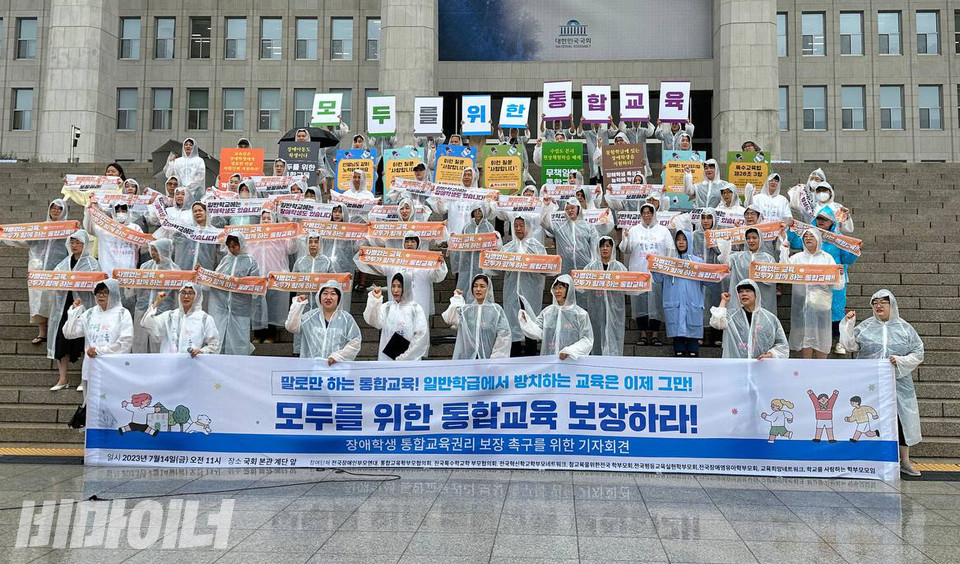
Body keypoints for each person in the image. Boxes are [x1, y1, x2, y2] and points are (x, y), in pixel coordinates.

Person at [840, 290, 925, 476]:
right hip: (869, 384)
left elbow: (918, 352)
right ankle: (865, 457)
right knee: (867, 419)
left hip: (898, 384)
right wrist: (848, 324)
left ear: (892, 305)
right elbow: (850, 345)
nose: (879, 306)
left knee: (901, 420)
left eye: (883, 302)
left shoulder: (905, 328)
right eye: (875, 302)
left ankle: (904, 460)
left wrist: (901, 361)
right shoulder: (866, 327)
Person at [790, 207, 857, 354]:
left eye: (824, 219)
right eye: (819, 218)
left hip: (829, 286)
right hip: (805, 294)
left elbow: (847, 258)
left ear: (831, 222)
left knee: (831, 315)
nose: (820, 222)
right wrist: (788, 231)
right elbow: (786, 266)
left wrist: (853, 250)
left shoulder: (836, 241)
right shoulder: (802, 246)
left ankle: (838, 340)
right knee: (806, 329)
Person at [46, 230, 101, 391]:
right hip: (65, 306)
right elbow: (54, 279)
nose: (75, 246)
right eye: (73, 243)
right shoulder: (64, 263)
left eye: (78, 243)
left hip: (84, 307)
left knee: (84, 341)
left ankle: (84, 379)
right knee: (62, 341)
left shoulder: (92, 264)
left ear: (85, 245)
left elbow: (98, 284)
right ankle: (62, 379)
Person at [355, 231, 447, 322]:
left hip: (420, 302)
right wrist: (365, 257)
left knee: (419, 330)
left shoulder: (427, 262)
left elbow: (436, 277)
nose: (409, 244)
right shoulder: (395, 261)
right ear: (403, 243)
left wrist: (440, 264)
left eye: (413, 241)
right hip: (398, 304)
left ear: (418, 244)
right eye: (407, 241)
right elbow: (379, 267)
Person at [780, 229, 844, 359]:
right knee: (805, 336)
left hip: (821, 305)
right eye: (805, 236)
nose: (808, 238)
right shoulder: (797, 258)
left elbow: (838, 285)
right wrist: (784, 250)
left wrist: (839, 274)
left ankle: (821, 368)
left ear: (818, 239)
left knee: (822, 336)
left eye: (811, 236)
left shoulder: (827, 258)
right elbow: (784, 271)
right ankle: (806, 367)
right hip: (801, 304)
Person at [62, 279, 133, 392]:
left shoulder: (122, 313)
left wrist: (100, 351)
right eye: (98, 292)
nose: (101, 295)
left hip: (114, 368)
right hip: (92, 366)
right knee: (93, 404)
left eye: (105, 292)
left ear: (113, 294)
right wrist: (73, 312)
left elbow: (125, 342)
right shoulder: (90, 313)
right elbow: (69, 333)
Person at [620, 201, 673, 346]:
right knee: (640, 304)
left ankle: (655, 335)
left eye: (649, 212)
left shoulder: (663, 230)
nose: (646, 215)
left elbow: (670, 250)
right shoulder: (634, 230)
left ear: (653, 213)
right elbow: (625, 249)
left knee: (657, 303)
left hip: (657, 274)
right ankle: (643, 334)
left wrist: (667, 270)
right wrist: (625, 237)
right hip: (639, 273)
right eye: (643, 213)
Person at [653, 231, 711, 357]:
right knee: (678, 348)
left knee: (693, 351)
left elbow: (709, 281)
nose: (681, 242)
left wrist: (720, 270)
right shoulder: (669, 262)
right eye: (678, 239)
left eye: (684, 239)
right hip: (675, 305)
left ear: (689, 242)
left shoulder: (698, 262)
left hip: (693, 306)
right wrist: (653, 266)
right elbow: (658, 279)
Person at [498, 216, 548, 357]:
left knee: (530, 325)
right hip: (512, 292)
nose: (518, 229)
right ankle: (514, 359)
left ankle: (531, 360)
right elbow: (495, 268)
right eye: (516, 226)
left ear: (528, 227)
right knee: (512, 325)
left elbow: (547, 269)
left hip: (530, 292)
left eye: (521, 225)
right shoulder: (507, 248)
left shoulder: (537, 247)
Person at [23, 199, 70, 345]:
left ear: (64, 211)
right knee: (38, 302)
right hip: (39, 271)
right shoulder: (40, 228)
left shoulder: (68, 230)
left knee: (54, 301)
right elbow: (24, 241)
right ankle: (42, 333)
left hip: (57, 272)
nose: (55, 211)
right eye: (53, 208)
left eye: (59, 209)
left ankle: (53, 332)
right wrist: (8, 234)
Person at [248, 211, 298, 344]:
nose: (265, 220)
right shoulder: (254, 235)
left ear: (274, 220)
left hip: (275, 278)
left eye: (268, 218)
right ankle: (258, 335)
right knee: (258, 307)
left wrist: (292, 235)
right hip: (258, 277)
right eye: (263, 218)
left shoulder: (280, 235)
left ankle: (271, 335)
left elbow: (291, 248)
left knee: (272, 307)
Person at [208, 233, 260, 355]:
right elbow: (215, 278)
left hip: (240, 307)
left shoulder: (251, 261)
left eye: (235, 246)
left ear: (241, 244)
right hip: (221, 307)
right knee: (220, 335)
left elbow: (255, 284)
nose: (232, 249)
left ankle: (240, 363)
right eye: (230, 246)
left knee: (240, 336)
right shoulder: (225, 260)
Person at [518, 275, 594, 359]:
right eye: (555, 288)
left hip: (571, 361)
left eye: (561, 288)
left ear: (569, 290)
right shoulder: (547, 312)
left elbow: (587, 339)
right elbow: (538, 332)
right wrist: (526, 322)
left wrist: (570, 351)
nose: (557, 291)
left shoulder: (580, 314)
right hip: (550, 360)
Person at [710, 280, 789, 359]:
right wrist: (724, 301)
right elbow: (716, 322)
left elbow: (782, 345)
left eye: (748, 291)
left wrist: (770, 355)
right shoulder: (732, 316)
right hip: (735, 366)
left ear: (756, 294)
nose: (744, 294)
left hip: (761, 366)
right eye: (741, 292)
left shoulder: (769, 318)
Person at [286, 280, 361, 363]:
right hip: (311, 368)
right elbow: (291, 327)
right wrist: (298, 305)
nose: (328, 297)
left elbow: (355, 341)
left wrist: (338, 356)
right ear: (319, 296)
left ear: (339, 297)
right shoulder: (310, 317)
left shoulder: (346, 318)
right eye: (325, 293)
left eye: (333, 294)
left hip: (337, 368)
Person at [441, 274, 512, 360]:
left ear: (488, 289)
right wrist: (457, 298)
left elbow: (504, 334)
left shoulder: (496, 310)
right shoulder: (466, 310)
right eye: (475, 286)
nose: (478, 289)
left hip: (489, 358)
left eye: (482, 286)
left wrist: (497, 357)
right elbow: (450, 318)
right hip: (468, 357)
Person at [140, 282, 220, 356]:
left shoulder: (204, 319)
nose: (186, 296)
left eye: (190, 293)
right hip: (169, 365)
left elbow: (214, 343)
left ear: (197, 296)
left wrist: (201, 351)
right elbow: (147, 322)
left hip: (192, 364)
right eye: (183, 293)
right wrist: (157, 301)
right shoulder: (170, 316)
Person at [363, 272, 429, 361]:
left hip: (410, 362)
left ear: (407, 287)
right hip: (387, 360)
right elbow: (374, 321)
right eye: (393, 286)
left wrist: (404, 357)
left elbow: (421, 336)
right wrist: (375, 300)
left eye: (400, 286)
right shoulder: (387, 307)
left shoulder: (415, 309)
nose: (395, 290)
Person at [580, 236, 629, 356]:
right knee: (597, 333)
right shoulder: (591, 267)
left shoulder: (620, 267)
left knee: (615, 333)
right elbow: (580, 286)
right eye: (602, 246)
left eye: (608, 246)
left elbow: (629, 286)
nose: (605, 249)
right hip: (596, 307)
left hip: (615, 309)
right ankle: (597, 359)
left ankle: (614, 360)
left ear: (612, 248)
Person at [131, 238, 180, 353]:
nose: (152, 253)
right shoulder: (145, 266)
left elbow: (178, 295)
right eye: (151, 250)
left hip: (162, 312)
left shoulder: (175, 271)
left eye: (156, 250)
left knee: (159, 342)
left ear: (164, 251)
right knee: (139, 341)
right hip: (142, 309)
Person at [290, 232, 333, 354]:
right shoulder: (299, 262)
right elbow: (292, 280)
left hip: (321, 303)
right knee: (301, 326)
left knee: (319, 329)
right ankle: (298, 352)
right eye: (310, 241)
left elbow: (334, 282)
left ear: (321, 244)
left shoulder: (327, 262)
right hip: (303, 302)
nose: (313, 245)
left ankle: (321, 352)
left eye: (316, 242)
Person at [717, 227, 777, 315]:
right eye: (748, 238)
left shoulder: (769, 259)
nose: (751, 241)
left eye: (754, 238)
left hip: (763, 301)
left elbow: (773, 280)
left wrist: (761, 273)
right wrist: (725, 245)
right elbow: (724, 261)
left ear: (760, 239)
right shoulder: (737, 257)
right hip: (741, 300)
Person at [541, 197, 600, 275]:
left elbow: (595, 247)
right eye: (567, 209)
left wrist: (594, 264)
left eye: (572, 208)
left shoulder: (588, 226)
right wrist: (546, 206)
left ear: (578, 208)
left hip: (585, 267)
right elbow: (544, 222)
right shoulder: (560, 227)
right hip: (565, 269)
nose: (570, 211)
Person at [84, 202, 143, 280]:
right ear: (113, 212)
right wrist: (89, 211)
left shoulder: (135, 228)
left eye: (123, 211)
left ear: (128, 212)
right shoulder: (105, 228)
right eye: (118, 211)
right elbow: (90, 229)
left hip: (128, 272)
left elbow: (143, 246)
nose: (120, 213)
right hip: (108, 271)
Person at [453, 204, 500, 295]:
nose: (477, 213)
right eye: (475, 210)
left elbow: (494, 247)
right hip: (467, 264)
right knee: (464, 289)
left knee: (481, 288)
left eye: (480, 210)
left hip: (482, 266)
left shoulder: (489, 227)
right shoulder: (466, 228)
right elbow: (461, 246)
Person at [322, 203, 362, 302]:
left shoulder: (350, 231)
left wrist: (364, 237)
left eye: (340, 212)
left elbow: (356, 247)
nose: (337, 214)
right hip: (325, 269)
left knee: (342, 298)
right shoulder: (324, 229)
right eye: (335, 211)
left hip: (344, 270)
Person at [171, 200, 221, 271]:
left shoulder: (214, 231)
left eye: (200, 210)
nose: (197, 213)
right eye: (195, 211)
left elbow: (218, 252)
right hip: (187, 268)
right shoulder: (187, 230)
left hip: (206, 269)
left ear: (206, 212)